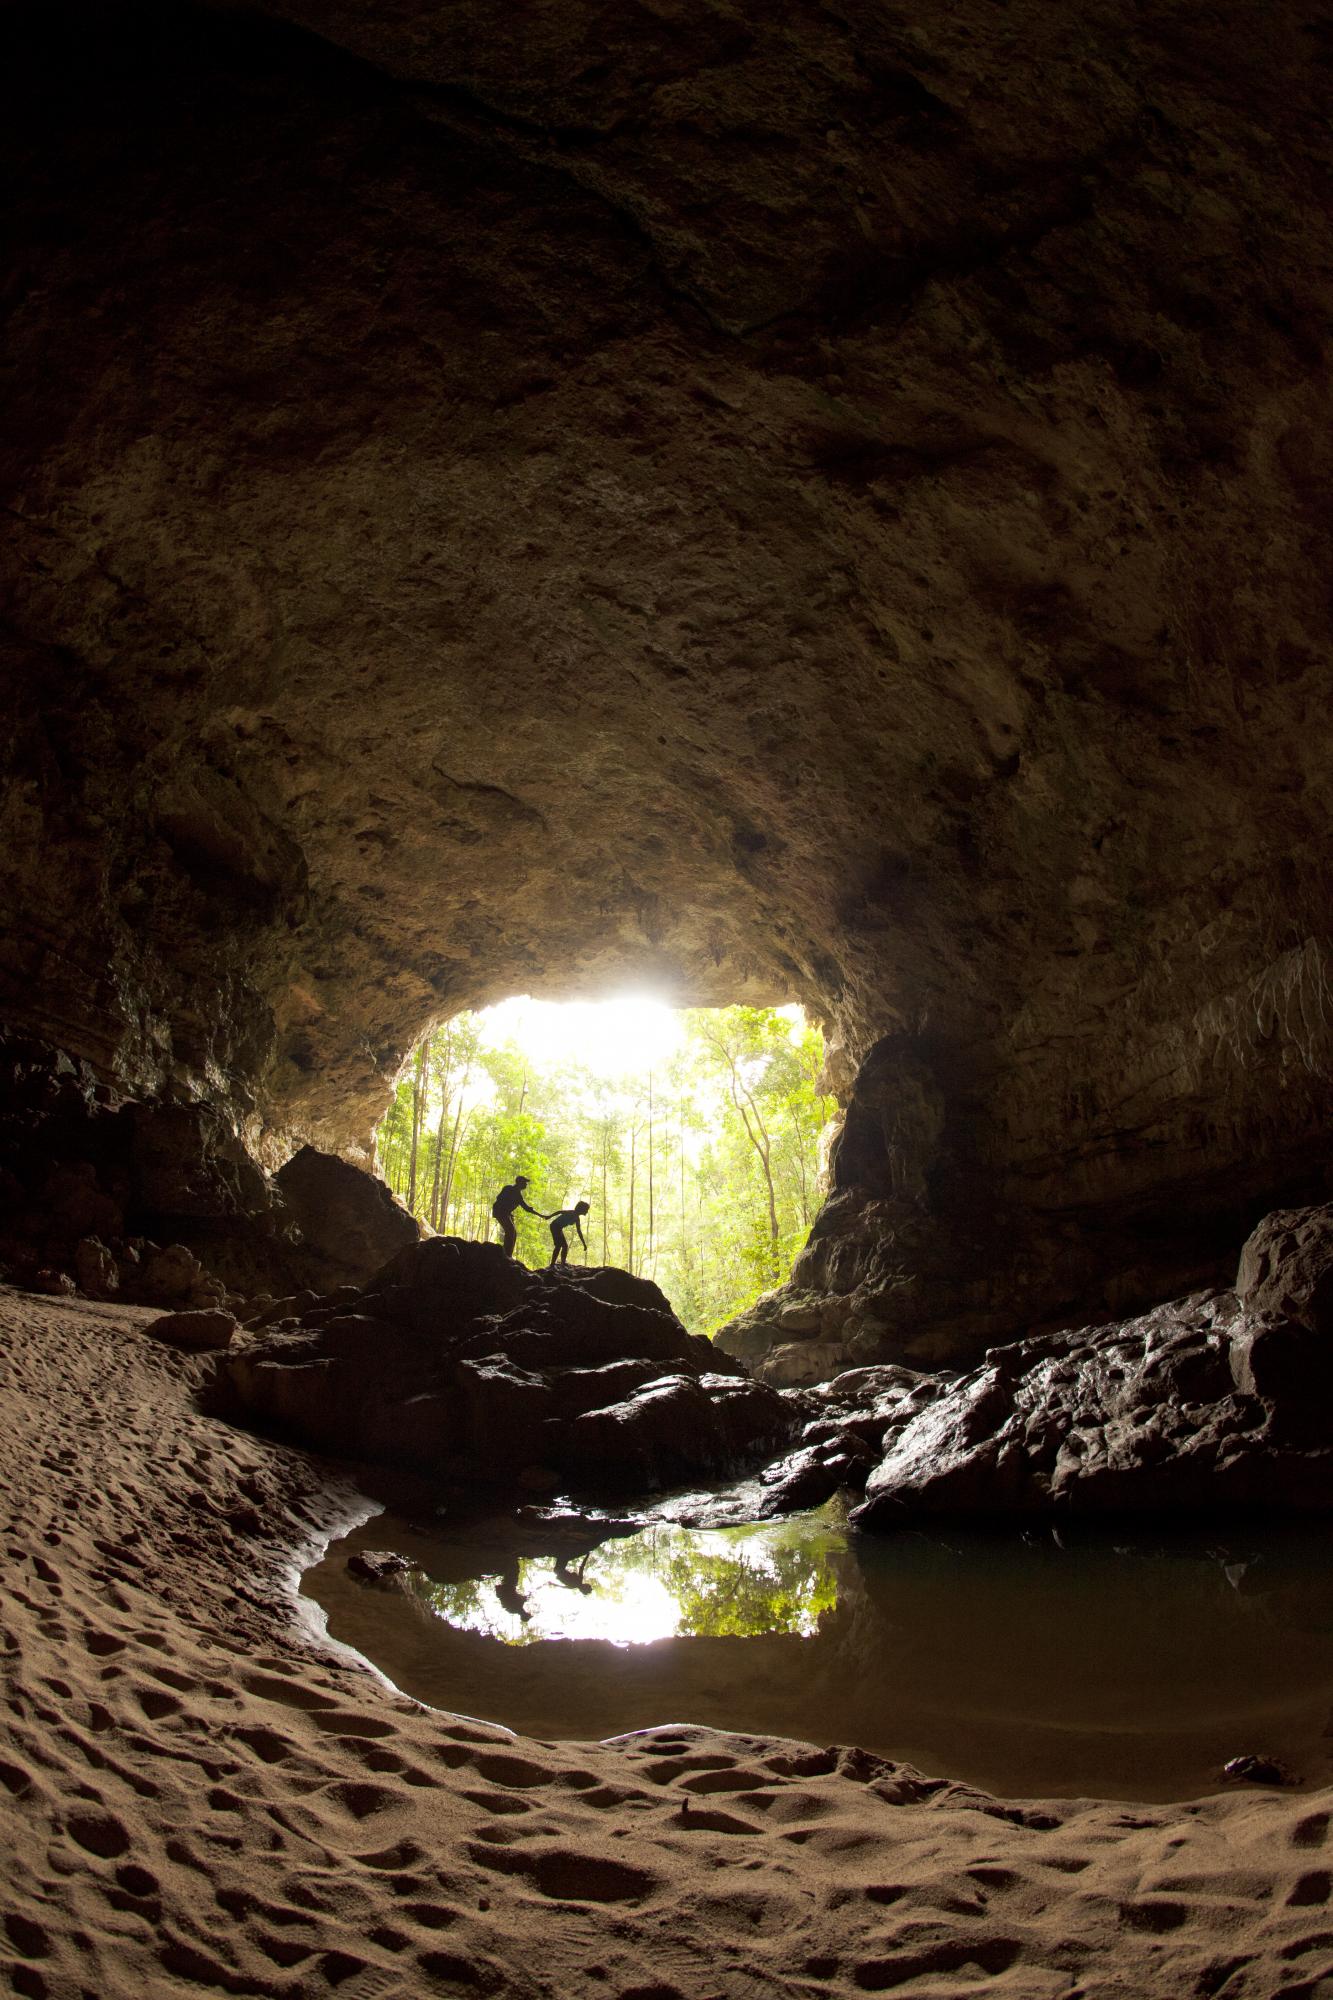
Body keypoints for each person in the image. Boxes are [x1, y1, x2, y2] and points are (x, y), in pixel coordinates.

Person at [491, 1174, 546, 1259]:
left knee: (513, 1233)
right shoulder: (508, 1188)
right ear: (520, 1182)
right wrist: (506, 1210)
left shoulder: (519, 1196)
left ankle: (508, 1254)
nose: (526, 1184)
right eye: (525, 1182)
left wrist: (541, 1215)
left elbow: (527, 1208)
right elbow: (499, 1198)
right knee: (510, 1230)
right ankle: (506, 1255)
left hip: (506, 1213)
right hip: (500, 1211)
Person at [548, 1199, 590, 1268]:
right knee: (559, 1246)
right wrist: (549, 1216)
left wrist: (584, 1244)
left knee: (564, 1246)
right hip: (555, 1226)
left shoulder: (576, 1218)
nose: (587, 1211)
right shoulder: (571, 1213)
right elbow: (559, 1212)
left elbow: (579, 1231)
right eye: (586, 1210)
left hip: (558, 1228)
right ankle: (554, 1265)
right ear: (582, 1209)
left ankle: (562, 1264)